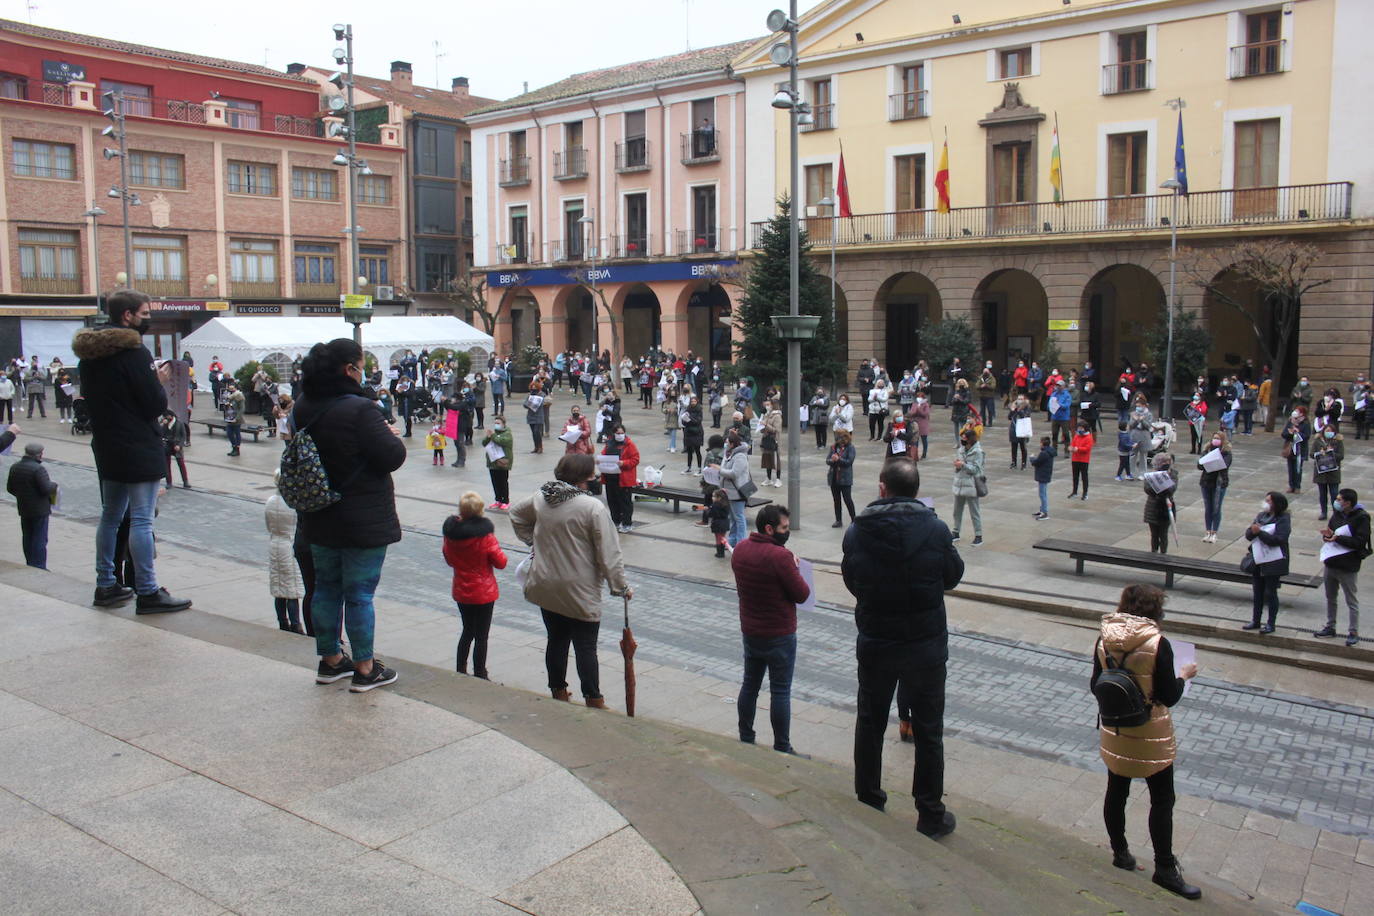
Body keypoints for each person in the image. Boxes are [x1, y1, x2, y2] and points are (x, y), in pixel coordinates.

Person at [843, 458, 964, 838]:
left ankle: (869, 797)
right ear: (916, 491)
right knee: (929, 730)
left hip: (878, 639)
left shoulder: (859, 530)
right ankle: (930, 812)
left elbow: (852, 579)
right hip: (924, 644)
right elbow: (953, 576)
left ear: (882, 488)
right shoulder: (936, 528)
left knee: (870, 719)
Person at [292, 337, 407, 692]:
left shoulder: (302, 406)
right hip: (361, 517)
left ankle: (330, 661)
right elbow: (392, 457)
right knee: (359, 593)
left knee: (325, 587)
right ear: (349, 369)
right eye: (361, 364)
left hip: (318, 513)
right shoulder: (360, 409)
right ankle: (365, 667)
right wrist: (390, 434)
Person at [73, 290, 191, 613]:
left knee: (110, 516)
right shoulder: (134, 353)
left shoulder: (89, 355)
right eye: (145, 314)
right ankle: (148, 591)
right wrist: (158, 380)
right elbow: (153, 403)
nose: (148, 319)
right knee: (141, 520)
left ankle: (106, 584)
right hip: (138, 445)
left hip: (107, 445)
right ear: (127, 316)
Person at [1092, 584, 1202, 900]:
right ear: (1155, 612)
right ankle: (1165, 869)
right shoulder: (1158, 644)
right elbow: (1169, 695)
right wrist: (1185, 675)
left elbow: (1093, 684)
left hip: (1116, 730)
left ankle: (1120, 852)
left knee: (1117, 789)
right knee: (1162, 798)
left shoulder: (1104, 637)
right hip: (1150, 734)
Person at [510, 453, 632, 708]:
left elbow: (516, 515)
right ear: (583, 478)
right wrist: (620, 587)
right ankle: (593, 698)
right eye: (592, 475)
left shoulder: (542, 497)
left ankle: (558, 691)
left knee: (556, 640)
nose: (595, 478)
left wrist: (533, 542)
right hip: (579, 588)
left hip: (546, 584)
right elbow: (609, 553)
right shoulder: (592, 507)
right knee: (586, 646)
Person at [731, 504, 811, 755]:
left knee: (750, 685)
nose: (787, 532)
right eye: (784, 528)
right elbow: (802, 594)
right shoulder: (780, 557)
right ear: (769, 528)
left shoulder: (741, 549)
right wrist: (794, 566)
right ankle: (782, 746)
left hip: (751, 630)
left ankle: (746, 736)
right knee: (780, 690)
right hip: (779, 634)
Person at [443, 491, 508, 678]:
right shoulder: (485, 537)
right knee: (482, 636)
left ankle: (461, 669)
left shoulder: (450, 535)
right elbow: (501, 562)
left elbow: (449, 559)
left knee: (467, 631)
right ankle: (480, 672)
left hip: (461, 589)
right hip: (484, 592)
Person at [1315, 488, 1366, 647]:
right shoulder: (1337, 514)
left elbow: (1359, 542)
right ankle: (1330, 626)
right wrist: (1328, 536)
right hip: (1331, 561)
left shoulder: (1361, 518)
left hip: (1348, 565)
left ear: (1348, 502)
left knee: (1351, 600)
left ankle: (1353, 631)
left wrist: (1339, 538)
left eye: (1339, 499)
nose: (1336, 502)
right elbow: (1331, 529)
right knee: (1331, 597)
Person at [1242, 491, 1291, 634]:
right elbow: (1248, 534)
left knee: (1270, 592)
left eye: (1269, 501)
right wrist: (1253, 531)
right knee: (1257, 592)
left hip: (1273, 561)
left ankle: (1271, 623)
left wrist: (1260, 533)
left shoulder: (1283, 519)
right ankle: (1255, 620)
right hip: (1259, 559)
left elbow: (1279, 539)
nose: (1266, 503)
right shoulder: (1261, 516)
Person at [265, 470, 305, 633]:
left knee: (278, 587)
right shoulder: (294, 503)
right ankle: (296, 624)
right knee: (292, 589)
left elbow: (268, 525)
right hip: (290, 545)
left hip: (275, 544)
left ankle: (282, 621)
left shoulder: (271, 501)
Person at [7, 441, 57, 568]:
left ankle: (29, 562)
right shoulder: (38, 469)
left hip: (24, 507)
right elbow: (46, 489)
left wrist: (23, 496)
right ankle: (39, 566)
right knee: (40, 538)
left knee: (27, 536)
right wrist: (53, 485)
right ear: (39, 455)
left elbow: (10, 488)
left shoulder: (15, 467)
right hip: (40, 509)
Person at [714, 430, 754, 549]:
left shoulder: (740, 456)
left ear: (732, 444)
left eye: (727, 442)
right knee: (733, 518)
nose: (725, 444)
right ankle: (732, 540)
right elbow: (723, 468)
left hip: (737, 492)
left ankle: (741, 542)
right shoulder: (728, 453)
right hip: (728, 491)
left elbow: (734, 473)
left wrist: (719, 470)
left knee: (739, 517)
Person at [601, 423, 640, 533]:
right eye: (618, 433)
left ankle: (627, 523)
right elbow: (603, 455)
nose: (620, 435)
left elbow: (635, 459)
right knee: (612, 501)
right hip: (610, 478)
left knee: (625, 502)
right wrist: (600, 461)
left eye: (622, 433)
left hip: (623, 479)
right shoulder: (609, 444)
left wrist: (623, 463)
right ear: (614, 434)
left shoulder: (629, 444)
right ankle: (616, 522)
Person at [950, 425, 984, 545]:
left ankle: (978, 535)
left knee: (974, 511)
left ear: (970, 439)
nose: (962, 440)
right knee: (957, 510)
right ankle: (956, 531)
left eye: (964, 438)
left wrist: (963, 465)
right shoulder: (960, 450)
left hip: (971, 485)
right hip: (960, 483)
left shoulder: (978, 452)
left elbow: (976, 469)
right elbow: (959, 463)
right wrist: (957, 465)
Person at [1197, 432, 1232, 543]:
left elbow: (1224, 465)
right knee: (1208, 507)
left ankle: (1214, 532)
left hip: (1219, 483)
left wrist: (1210, 463)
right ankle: (1208, 531)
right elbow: (1200, 465)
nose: (1215, 440)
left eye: (1218, 438)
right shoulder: (1207, 450)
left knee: (1216, 508)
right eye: (1214, 438)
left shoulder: (1226, 452)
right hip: (1206, 482)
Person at [1143, 453, 1177, 554]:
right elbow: (1147, 489)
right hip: (1153, 507)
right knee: (1154, 534)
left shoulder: (1173, 474)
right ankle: (1154, 552)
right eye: (1163, 462)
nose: (1166, 463)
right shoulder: (1151, 475)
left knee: (1163, 534)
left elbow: (1172, 489)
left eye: (1168, 461)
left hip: (1165, 508)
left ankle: (1163, 554)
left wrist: (1163, 484)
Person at [481, 415, 514, 509]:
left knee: (503, 481)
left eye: (498, 423)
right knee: (495, 482)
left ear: (503, 424)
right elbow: (484, 443)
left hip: (502, 462)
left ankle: (505, 500)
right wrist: (488, 437)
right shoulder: (493, 433)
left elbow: (501, 441)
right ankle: (498, 499)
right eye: (495, 423)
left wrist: (492, 435)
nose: (496, 425)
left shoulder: (507, 434)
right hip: (492, 461)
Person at [1311, 427, 1344, 520]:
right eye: (1327, 431)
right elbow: (1312, 454)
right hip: (1321, 472)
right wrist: (1319, 453)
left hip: (1333, 472)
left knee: (1334, 494)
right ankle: (1323, 512)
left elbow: (1341, 456)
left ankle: (1336, 513)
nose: (1329, 432)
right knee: (1322, 494)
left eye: (1331, 431)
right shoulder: (1318, 441)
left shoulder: (1338, 441)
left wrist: (1331, 453)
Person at [826, 429, 857, 528]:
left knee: (847, 499)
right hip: (834, 477)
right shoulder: (834, 447)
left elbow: (849, 462)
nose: (836, 438)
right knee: (836, 499)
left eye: (838, 436)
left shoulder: (850, 448)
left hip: (845, 478)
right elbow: (827, 460)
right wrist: (832, 460)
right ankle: (838, 520)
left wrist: (839, 459)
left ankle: (854, 519)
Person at [1281, 407, 1310, 494]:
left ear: (1302, 413)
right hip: (1290, 448)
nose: (1296, 413)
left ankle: (1297, 486)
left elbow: (1307, 436)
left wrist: (1298, 433)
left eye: (1298, 411)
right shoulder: (1291, 421)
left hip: (1300, 449)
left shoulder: (1305, 423)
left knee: (1297, 468)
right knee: (1290, 468)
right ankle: (1291, 485)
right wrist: (1290, 433)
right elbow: (1284, 434)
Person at [159, 410, 190, 489]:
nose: (166, 418)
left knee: (181, 464)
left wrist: (180, 445)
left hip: (176, 445)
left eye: (167, 416)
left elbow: (183, 436)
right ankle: (168, 482)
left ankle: (185, 481)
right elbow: (160, 434)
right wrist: (163, 425)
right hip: (167, 445)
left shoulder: (179, 423)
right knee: (167, 465)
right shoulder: (165, 424)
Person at [1068, 419, 1093, 501]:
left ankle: (1085, 493)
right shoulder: (1076, 436)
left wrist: (1077, 449)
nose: (1079, 429)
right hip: (1075, 459)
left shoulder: (1089, 437)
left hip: (1084, 460)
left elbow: (1087, 448)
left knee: (1084, 477)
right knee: (1075, 476)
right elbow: (1073, 443)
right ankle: (1074, 491)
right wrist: (1071, 448)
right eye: (1079, 428)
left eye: (1081, 428)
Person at [1030, 435, 1055, 520]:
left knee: (1042, 494)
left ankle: (1044, 512)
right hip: (1046, 474)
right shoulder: (1049, 451)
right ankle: (1042, 510)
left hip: (1043, 475)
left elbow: (1036, 462)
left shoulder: (1044, 453)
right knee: (1043, 493)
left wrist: (1032, 458)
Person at [759, 400, 782, 488]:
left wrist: (766, 425)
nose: (766, 406)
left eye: (768, 404)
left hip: (774, 441)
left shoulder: (777, 416)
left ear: (773, 405)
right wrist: (761, 426)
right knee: (767, 459)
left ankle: (778, 479)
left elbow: (776, 430)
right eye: (766, 405)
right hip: (766, 440)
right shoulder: (766, 415)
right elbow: (762, 428)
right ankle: (768, 478)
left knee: (776, 460)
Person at [222, 379, 246, 457]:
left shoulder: (239, 395)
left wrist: (238, 417)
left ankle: (237, 449)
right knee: (229, 433)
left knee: (237, 433)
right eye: (230, 388)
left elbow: (242, 408)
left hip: (236, 418)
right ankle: (233, 446)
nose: (231, 390)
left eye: (232, 389)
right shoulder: (228, 396)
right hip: (229, 417)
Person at [681, 395, 704, 474]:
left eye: (694, 401)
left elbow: (698, 421)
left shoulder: (699, 409)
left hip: (697, 433)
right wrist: (685, 419)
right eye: (692, 401)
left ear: (697, 402)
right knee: (689, 451)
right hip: (688, 433)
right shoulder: (688, 409)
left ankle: (699, 468)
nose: (693, 403)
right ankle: (689, 467)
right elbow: (683, 421)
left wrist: (689, 418)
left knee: (697, 451)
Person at [1007, 394, 1030, 470]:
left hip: (1022, 429)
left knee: (1023, 447)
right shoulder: (1014, 407)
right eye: (1018, 399)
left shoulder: (1027, 407)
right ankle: (1014, 462)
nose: (1019, 400)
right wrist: (1012, 410)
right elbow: (1009, 417)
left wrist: (1019, 410)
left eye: (1021, 399)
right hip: (1014, 428)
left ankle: (1024, 463)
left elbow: (1024, 416)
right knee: (1014, 447)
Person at [708, 488, 732, 557]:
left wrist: (708, 511)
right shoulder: (726, 504)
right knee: (723, 537)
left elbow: (711, 514)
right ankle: (722, 552)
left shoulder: (715, 505)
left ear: (719, 497)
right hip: (725, 522)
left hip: (717, 523)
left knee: (718, 538)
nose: (712, 498)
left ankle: (719, 553)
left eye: (713, 496)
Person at [524, 383, 547, 454]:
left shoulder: (542, 394)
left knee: (537, 432)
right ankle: (536, 447)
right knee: (533, 433)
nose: (533, 389)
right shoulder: (529, 395)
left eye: (535, 387)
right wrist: (529, 403)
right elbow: (525, 404)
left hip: (539, 416)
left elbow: (542, 403)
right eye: (532, 387)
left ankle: (540, 447)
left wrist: (532, 403)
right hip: (531, 416)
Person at [948, 378, 971, 444]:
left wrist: (959, 398)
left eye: (962, 383)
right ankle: (957, 442)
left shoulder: (967, 392)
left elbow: (966, 402)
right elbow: (952, 402)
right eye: (959, 383)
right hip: (955, 411)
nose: (960, 384)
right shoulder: (956, 392)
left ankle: (963, 442)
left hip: (963, 411)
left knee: (963, 428)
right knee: (955, 428)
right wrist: (955, 399)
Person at [977, 363, 998, 427]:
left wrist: (986, 386)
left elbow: (993, 386)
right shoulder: (980, 378)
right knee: (982, 410)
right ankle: (983, 422)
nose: (985, 373)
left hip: (989, 396)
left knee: (990, 410)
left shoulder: (992, 378)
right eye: (984, 372)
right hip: (982, 396)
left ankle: (990, 422)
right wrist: (981, 386)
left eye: (986, 372)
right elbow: (977, 385)